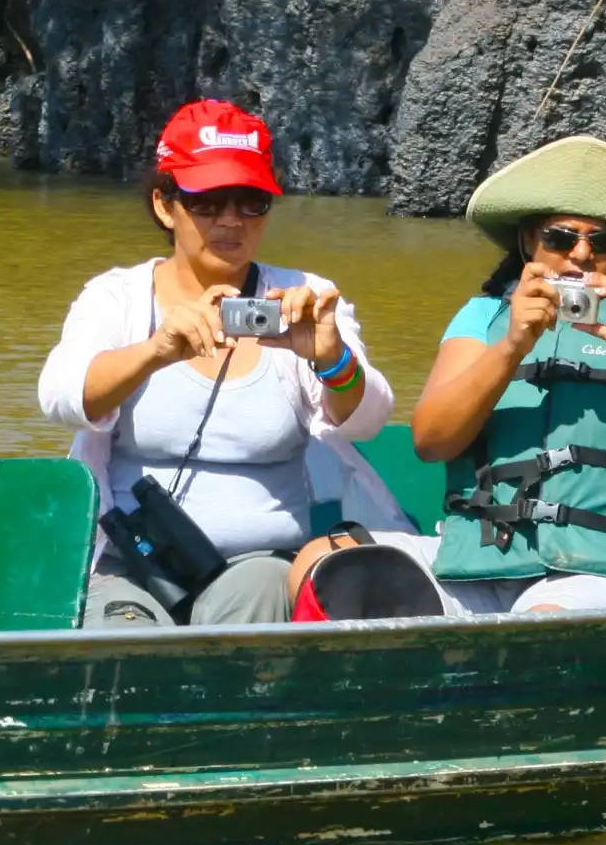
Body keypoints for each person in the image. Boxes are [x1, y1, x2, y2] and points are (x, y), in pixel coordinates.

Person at [39, 99, 400, 627]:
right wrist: (156, 351)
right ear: (165, 206)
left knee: (246, 606)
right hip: (130, 564)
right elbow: (62, 399)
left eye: (250, 201)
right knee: (123, 641)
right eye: (207, 201)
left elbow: (367, 420)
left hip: (263, 562)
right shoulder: (117, 297)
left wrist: (330, 358)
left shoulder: (304, 295)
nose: (230, 220)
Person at [352, 134, 606, 616]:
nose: (581, 254)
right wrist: (514, 344)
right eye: (560, 237)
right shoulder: (483, 319)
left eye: (604, 241)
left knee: (538, 620)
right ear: (528, 242)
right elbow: (432, 441)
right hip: (478, 565)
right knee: (327, 565)